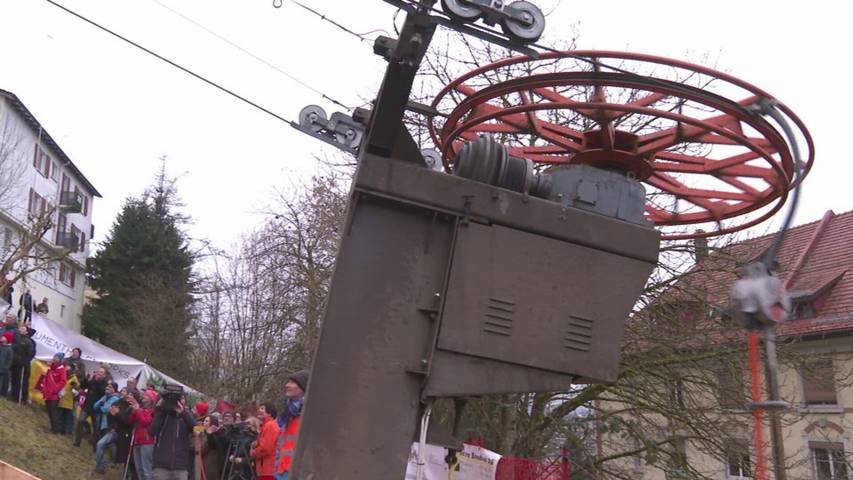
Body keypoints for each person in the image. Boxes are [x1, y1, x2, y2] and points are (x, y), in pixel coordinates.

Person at [150, 394, 196, 480]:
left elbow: (198, 430)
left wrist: (183, 413)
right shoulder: (163, 415)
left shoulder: (187, 416)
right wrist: (160, 409)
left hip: (181, 467)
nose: (177, 402)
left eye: (181, 398)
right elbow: (152, 431)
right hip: (161, 467)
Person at [274, 370, 308, 480]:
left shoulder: (309, 414)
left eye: (292, 382)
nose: (287, 385)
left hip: (297, 473)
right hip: (281, 471)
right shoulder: (287, 414)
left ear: (303, 388)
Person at [75, 366, 109, 447]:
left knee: (96, 428)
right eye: (98, 371)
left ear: (104, 375)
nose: (98, 373)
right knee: (80, 421)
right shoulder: (92, 380)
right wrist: (87, 379)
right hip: (87, 406)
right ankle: (77, 441)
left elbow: (102, 392)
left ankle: (95, 446)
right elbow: (83, 387)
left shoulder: (105, 384)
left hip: (97, 409)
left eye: (101, 372)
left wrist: (96, 380)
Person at [93, 382, 121, 473]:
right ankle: (105, 463)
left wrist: (102, 405)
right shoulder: (105, 397)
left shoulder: (115, 399)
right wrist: (102, 403)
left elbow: (105, 410)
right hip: (102, 423)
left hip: (109, 425)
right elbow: (95, 406)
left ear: (114, 389)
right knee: (105, 444)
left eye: (110, 387)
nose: (107, 388)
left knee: (106, 444)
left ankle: (109, 462)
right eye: (107, 386)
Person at [40, 352, 69, 434]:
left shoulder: (61, 370)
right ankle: (53, 427)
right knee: (49, 410)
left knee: (53, 411)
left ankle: (55, 429)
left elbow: (63, 381)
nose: (55, 359)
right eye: (55, 357)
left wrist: (55, 389)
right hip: (48, 392)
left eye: (57, 358)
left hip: (54, 394)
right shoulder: (51, 368)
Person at [250, 403, 280, 480]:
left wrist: (253, 453)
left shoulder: (270, 425)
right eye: (259, 408)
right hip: (266, 469)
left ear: (269, 412)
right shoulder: (266, 425)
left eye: (262, 408)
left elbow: (265, 448)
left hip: (268, 469)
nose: (259, 410)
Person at [130, 393, 156, 480]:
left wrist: (138, 410)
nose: (143, 396)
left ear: (151, 399)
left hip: (147, 442)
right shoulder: (141, 409)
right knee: (139, 469)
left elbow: (145, 422)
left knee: (146, 470)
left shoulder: (153, 411)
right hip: (137, 440)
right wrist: (134, 412)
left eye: (146, 395)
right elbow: (131, 422)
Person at [9, 323, 36, 404]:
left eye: (23, 329)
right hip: (15, 363)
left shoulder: (29, 342)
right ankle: (14, 395)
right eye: (20, 328)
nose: (20, 330)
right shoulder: (17, 338)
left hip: (23, 365)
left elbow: (31, 354)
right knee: (14, 379)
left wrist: (25, 361)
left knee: (22, 381)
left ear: (26, 332)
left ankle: (22, 398)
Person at [195, 415, 222, 480]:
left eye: (206, 421)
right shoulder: (201, 430)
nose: (204, 422)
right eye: (204, 421)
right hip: (199, 466)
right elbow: (192, 427)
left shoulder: (215, 435)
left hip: (210, 467)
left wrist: (209, 433)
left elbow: (203, 449)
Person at [59, 358, 80, 435]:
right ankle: (60, 429)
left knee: (67, 415)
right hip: (62, 397)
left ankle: (65, 431)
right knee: (61, 414)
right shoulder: (65, 374)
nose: (66, 367)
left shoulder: (73, 378)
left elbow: (76, 387)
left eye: (68, 366)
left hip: (68, 399)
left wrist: (75, 389)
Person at [0, 331, 13, 397]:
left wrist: (5, 368)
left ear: (7, 339)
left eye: (4, 337)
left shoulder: (9, 349)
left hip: (2, 368)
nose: (2, 337)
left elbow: (9, 360)